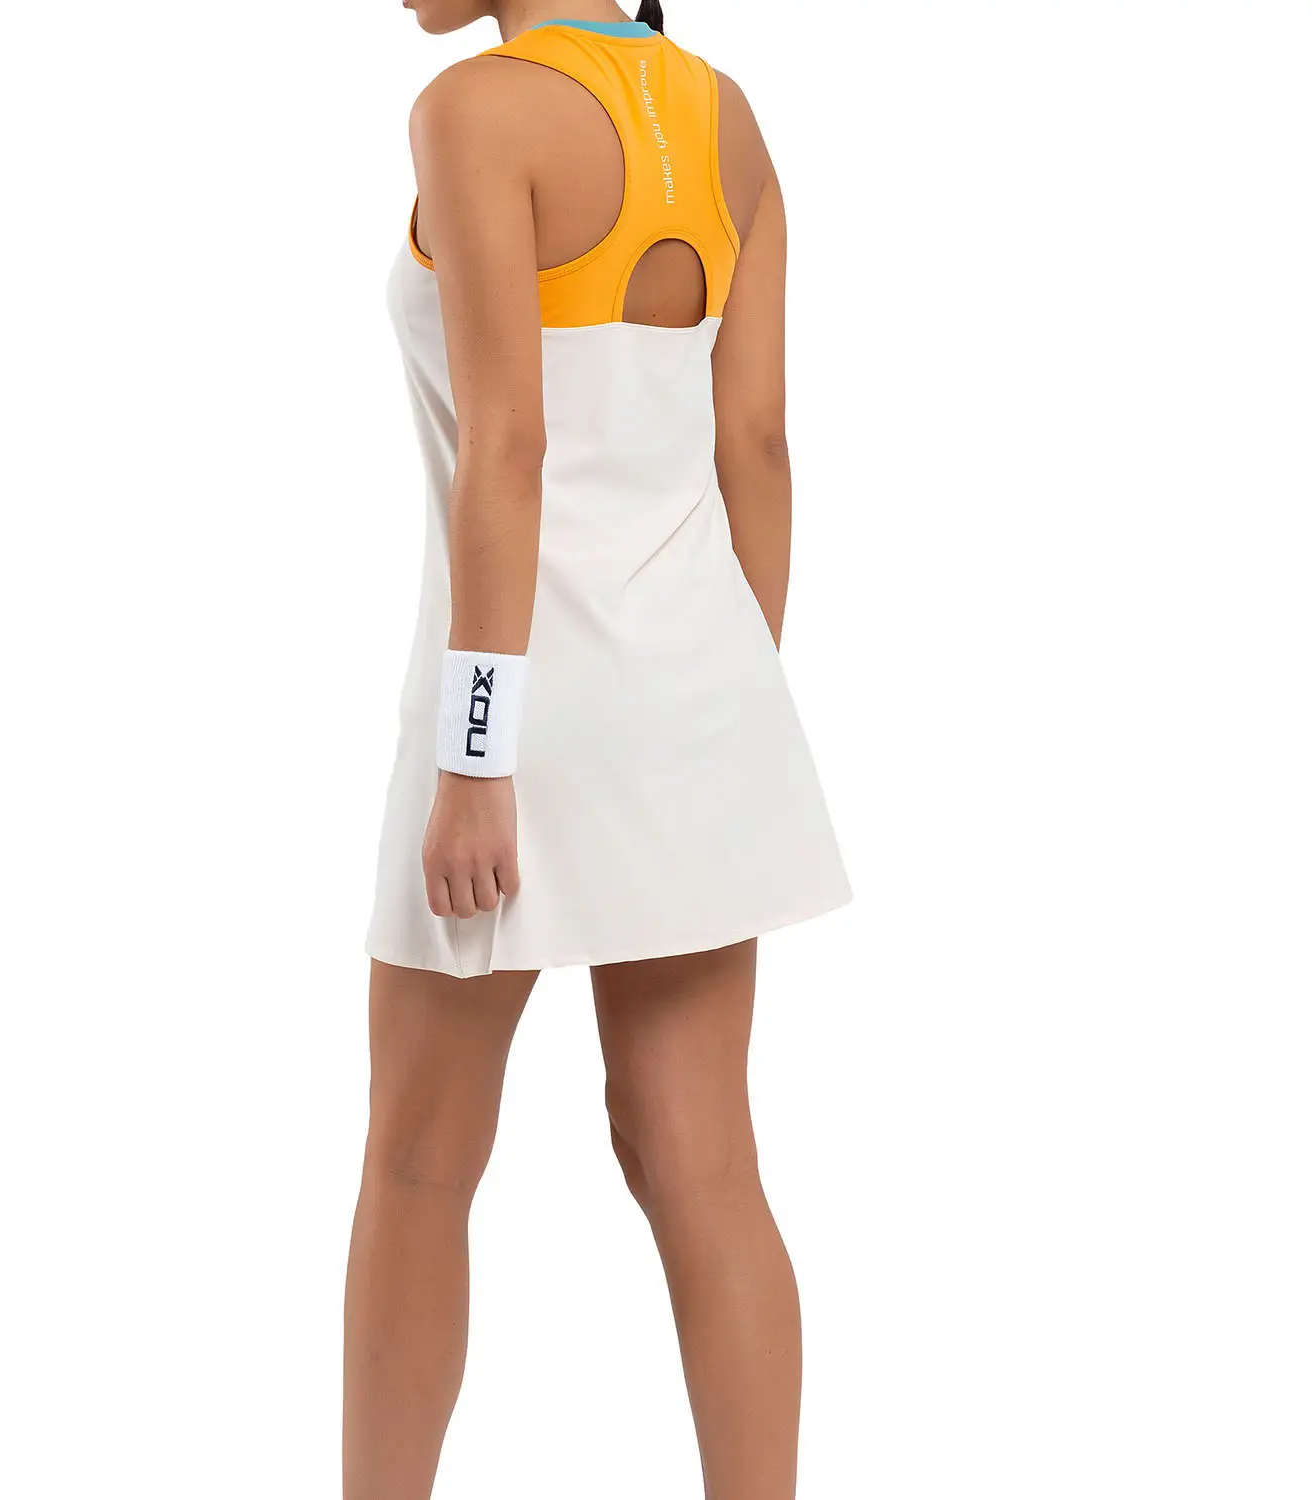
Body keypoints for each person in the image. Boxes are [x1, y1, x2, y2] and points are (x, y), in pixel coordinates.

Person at [346, 3, 850, 1495]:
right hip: (699, 705)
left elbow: (508, 446)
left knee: (419, 1165)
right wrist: (716, 714)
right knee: (707, 1166)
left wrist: (475, 758)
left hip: (513, 719)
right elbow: (756, 444)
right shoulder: (724, 109)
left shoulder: (478, 108)